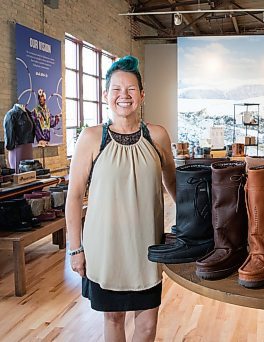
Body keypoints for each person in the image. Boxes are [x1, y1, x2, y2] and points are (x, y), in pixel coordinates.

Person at [65, 55, 176, 341]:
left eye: (130, 89)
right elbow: (75, 197)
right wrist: (76, 249)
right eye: (116, 90)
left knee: (148, 324)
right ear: (105, 95)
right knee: (113, 320)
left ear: (141, 94)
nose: (123, 96)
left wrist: (191, 228)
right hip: (105, 248)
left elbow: (173, 185)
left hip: (146, 247)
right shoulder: (91, 138)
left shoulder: (157, 136)